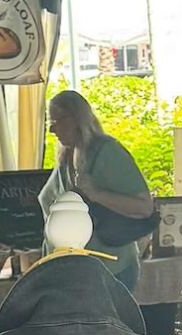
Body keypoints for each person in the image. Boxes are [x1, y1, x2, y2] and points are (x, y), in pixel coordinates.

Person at [39, 89, 154, 290]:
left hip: (111, 269)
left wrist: (97, 195)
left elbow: (144, 207)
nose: (52, 130)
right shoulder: (67, 156)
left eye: (56, 121)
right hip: (76, 270)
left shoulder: (107, 152)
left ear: (75, 119)